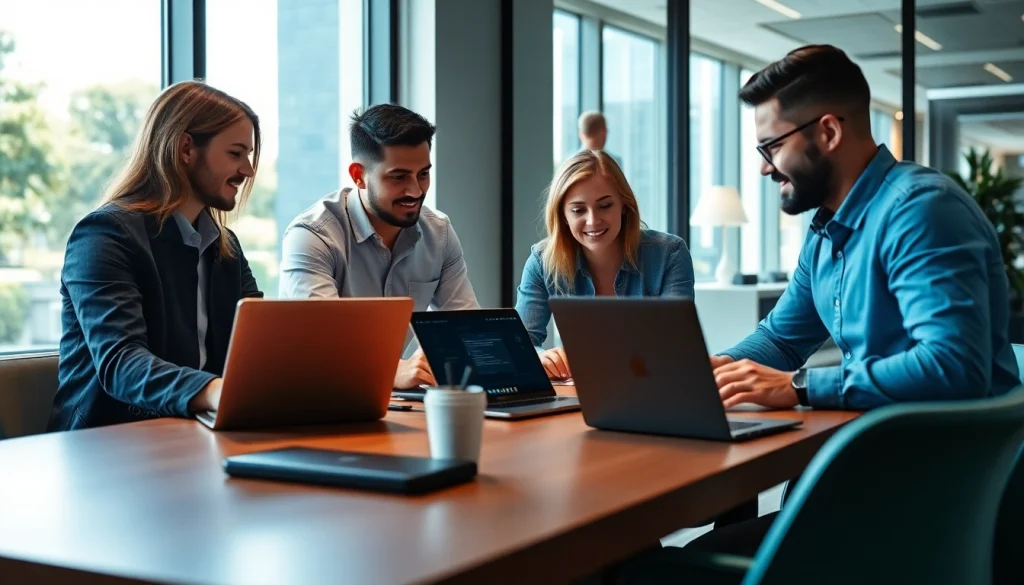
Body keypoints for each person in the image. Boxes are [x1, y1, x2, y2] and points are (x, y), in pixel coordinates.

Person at [610, 43, 1021, 583]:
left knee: (639, 570)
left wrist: (800, 387)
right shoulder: (828, 232)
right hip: (877, 485)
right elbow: (780, 340)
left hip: (929, 507)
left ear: (827, 132)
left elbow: (952, 365)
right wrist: (697, 373)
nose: (762, 167)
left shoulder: (921, 211)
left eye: (771, 146)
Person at [49, 80, 263, 431]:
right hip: (104, 448)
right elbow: (122, 364)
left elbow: (258, 345)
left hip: (194, 435)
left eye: (249, 156)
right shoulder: (104, 236)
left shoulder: (226, 248)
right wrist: (217, 392)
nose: (248, 170)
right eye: (236, 153)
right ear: (186, 149)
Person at [279, 104, 479, 390]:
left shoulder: (439, 232)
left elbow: (467, 326)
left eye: (423, 174)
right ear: (358, 175)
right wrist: (391, 370)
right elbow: (323, 342)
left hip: (385, 402)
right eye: (398, 177)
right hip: (311, 398)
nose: (415, 191)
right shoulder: (311, 236)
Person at [515, 149, 695, 380]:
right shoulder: (542, 261)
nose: (592, 220)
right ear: (562, 215)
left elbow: (675, 342)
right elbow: (521, 343)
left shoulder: (669, 253)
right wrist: (540, 358)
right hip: (579, 394)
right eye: (578, 210)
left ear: (624, 205)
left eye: (605, 205)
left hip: (653, 388)